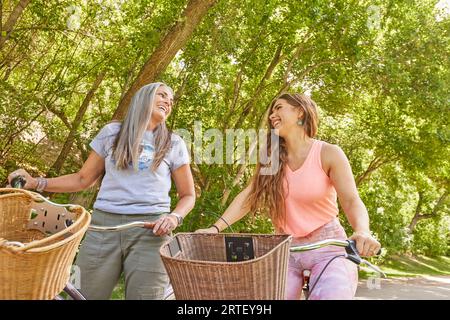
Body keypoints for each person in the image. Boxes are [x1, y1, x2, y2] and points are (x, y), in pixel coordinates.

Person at [8, 82, 195, 300]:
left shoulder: (174, 143)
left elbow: (188, 195)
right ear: (145, 97)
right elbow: (82, 179)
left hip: (151, 231)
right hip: (103, 228)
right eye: (162, 95)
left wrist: (174, 217)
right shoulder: (112, 133)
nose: (168, 102)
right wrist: (35, 183)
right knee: (83, 295)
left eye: (171, 100)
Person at [197, 93, 381, 300]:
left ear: (299, 112)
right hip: (286, 249)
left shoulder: (328, 153)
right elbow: (249, 196)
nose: (272, 114)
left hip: (328, 247)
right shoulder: (271, 158)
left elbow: (351, 200)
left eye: (279, 107)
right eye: (272, 110)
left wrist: (362, 231)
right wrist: (214, 229)